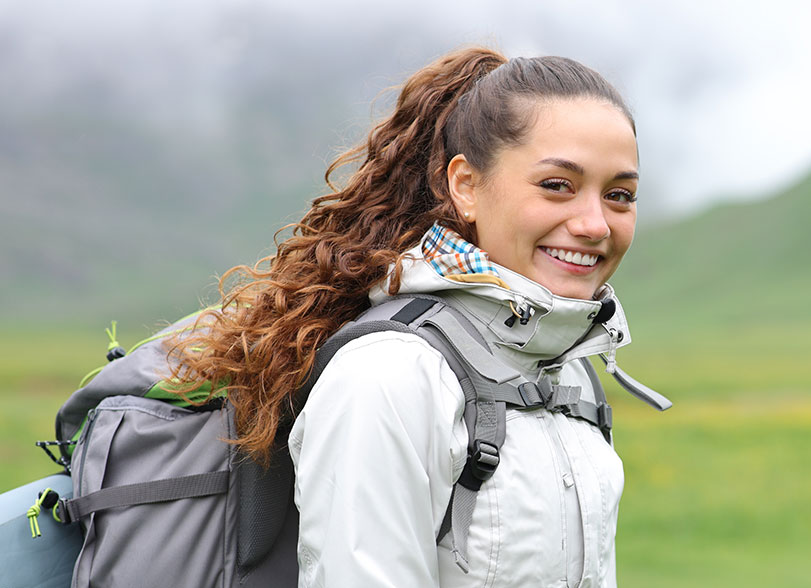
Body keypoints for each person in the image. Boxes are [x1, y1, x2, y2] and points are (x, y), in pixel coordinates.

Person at [171, 46, 646, 587]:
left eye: (619, 195)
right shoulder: (388, 375)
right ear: (466, 186)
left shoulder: (570, 370)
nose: (594, 224)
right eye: (557, 185)